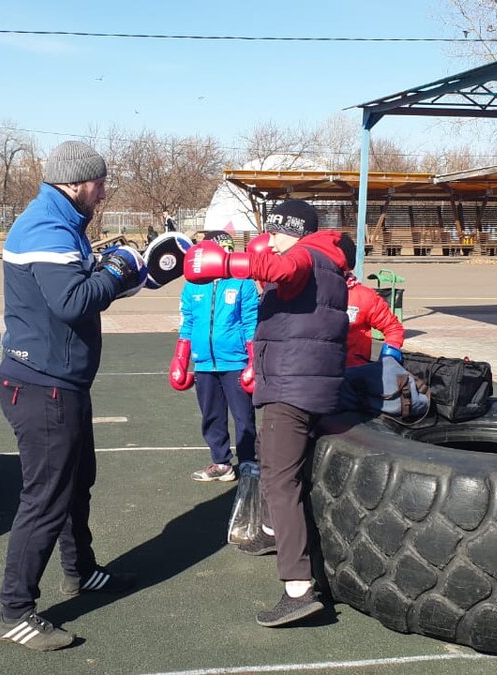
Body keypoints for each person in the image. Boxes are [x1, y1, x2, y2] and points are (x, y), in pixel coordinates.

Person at [0, 140, 145, 652]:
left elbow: (79, 287)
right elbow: (73, 300)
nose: (104, 193)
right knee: (45, 502)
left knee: (78, 483)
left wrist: (128, 275)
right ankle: (14, 611)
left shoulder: (61, 222)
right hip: (43, 388)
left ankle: (79, 571)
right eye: (99, 183)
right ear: (76, 183)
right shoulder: (47, 227)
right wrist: (119, 269)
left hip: (62, 382)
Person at [183, 199, 348, 628]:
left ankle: (298, 588)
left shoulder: (302, 255)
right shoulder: (330, 260)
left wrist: (235, 261)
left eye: (273, 231)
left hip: (290, 389)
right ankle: (275, 535)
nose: (269, 239)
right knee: (295, 474)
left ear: (288, 229)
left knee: (279, 480)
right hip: (314, 383)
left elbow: (281, 269)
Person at [170, 230, 260, 482]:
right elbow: (187, 322)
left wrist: (253, 360)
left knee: (243, 415)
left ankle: (248, 461)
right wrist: (180, 358)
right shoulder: (192, 285)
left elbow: (251, 323)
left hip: (235, 361)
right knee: (211, 415)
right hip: (204, 362)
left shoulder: (243, 282)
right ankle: (221, 462)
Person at [337, 234, 406, 367]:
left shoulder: (364, 297)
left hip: (353, 372)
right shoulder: (308, 292)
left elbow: (393, 328)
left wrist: (389, 355)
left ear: (348, 266)